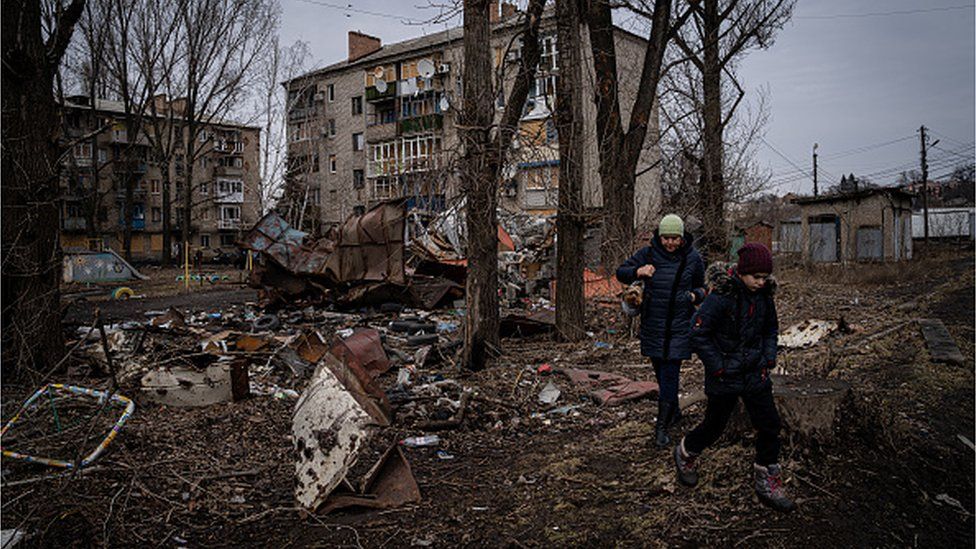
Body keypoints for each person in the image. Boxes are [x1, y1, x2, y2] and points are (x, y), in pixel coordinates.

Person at [673, 242, 796, 512]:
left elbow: (770, 330)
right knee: (715, 426)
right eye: (757, 277)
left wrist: (769, 358)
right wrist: (718, 366)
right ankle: (685, 452)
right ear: (742, 272)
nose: (762, 282)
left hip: (755, 372)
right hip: (724, 375)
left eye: (766, 277)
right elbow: (698, 334)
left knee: (770, 425)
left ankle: (766, 479)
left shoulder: (764, 296)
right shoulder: (721, 296)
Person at [616, 214, 706, 448]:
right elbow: (621, 272)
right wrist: (638, 272)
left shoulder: (693, 258)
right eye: (666, 238)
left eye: (675, 238)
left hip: (679, 326)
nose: (670, 243)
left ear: (682, 237)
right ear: (659, 236)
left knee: (669, 376)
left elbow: (703, 287)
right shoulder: (648, 254)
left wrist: (696, 295)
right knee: (660, 372)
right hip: (653, 325)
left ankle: (661, 427)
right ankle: (674, 413)